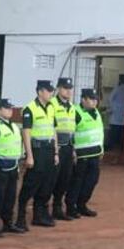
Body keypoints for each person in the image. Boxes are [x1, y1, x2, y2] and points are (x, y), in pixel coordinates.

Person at [17, 79, 58, 229]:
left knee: (47, 183)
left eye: (52, 91)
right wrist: (29, 155)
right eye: (49, 91)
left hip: (49, 149)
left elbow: (53, 130)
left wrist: (56, 152)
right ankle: (20, 217)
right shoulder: (30, 109)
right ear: (40, 92)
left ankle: (39, 215)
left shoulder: (51, 107)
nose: (51, 93)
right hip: (37, 149)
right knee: (31, 183)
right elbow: (26, 132)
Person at [0, 99, 24, 236]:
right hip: (0, 166)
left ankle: (8, 223)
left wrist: (18, 166)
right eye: (6, 108)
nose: (10, 111)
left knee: (10, 196)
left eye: (10, 108)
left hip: (13, 166)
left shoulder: (14, 126)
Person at [69, 88, 106, 218]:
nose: (95, 102)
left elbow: (99, 132)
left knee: (92, 180)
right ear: (83, 99)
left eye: (96, 99)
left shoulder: (96, 112)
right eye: (91, 99)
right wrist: (73, 151)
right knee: (77, 181)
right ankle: (71, 206)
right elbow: (70, 134)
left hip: (95, 153)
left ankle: (82, 204)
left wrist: (101, 149)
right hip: (81, 155)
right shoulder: (75, 112)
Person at [50, 76, 78, 221]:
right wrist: (55, 149)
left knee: (65, 179)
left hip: (68, 147)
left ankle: (57, 207)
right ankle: (44, 208)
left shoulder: (72, 107)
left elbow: (72, 130)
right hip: (56, 147)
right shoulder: (52, 104)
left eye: (70, 89)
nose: (68, 91)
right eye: (65, 88)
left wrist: (73, 149)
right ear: (59, 89)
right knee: (52, 178)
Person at [106, 74, 124, 152]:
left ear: (120, 80)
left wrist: (111, 108)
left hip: (115, 115)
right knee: (122, 134)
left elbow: (109, 99)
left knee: (113, 134)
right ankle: (122, 147)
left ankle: (110, 147)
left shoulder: (117, 88)